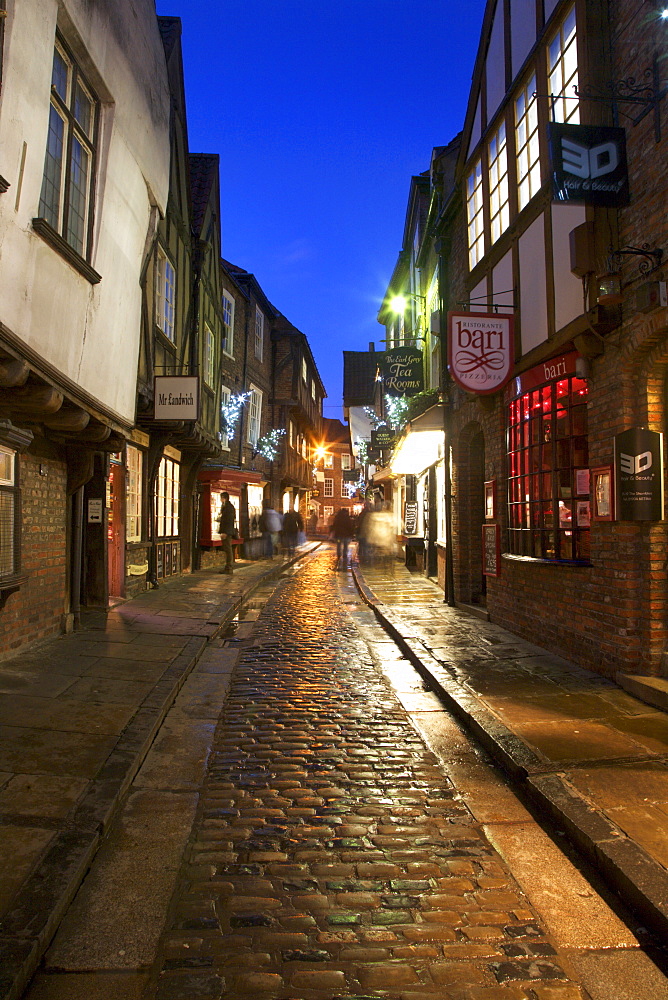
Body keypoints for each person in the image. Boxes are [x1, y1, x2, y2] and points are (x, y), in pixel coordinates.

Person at [218, 491, 237, 574]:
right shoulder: (227, 506)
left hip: (227, 532)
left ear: (224, 498)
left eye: (221, 498)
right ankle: (228, 567)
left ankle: (229, 567)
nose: (220, 500)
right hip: (227, 531)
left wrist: (225, 532)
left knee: (228, 549)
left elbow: (228, 521)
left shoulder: (228, 507)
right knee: (228, 549)